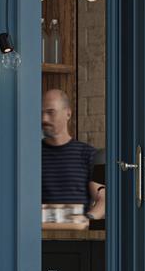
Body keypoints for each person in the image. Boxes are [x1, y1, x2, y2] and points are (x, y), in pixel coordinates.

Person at [41, 89, 104, 220]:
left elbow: (103, 198)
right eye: (41, 113)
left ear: (68, 113)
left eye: (50, 112)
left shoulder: (89, 155)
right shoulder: (30, 155)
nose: (44, 119)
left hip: (76, 236)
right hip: (36, 236)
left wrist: (87, 219)